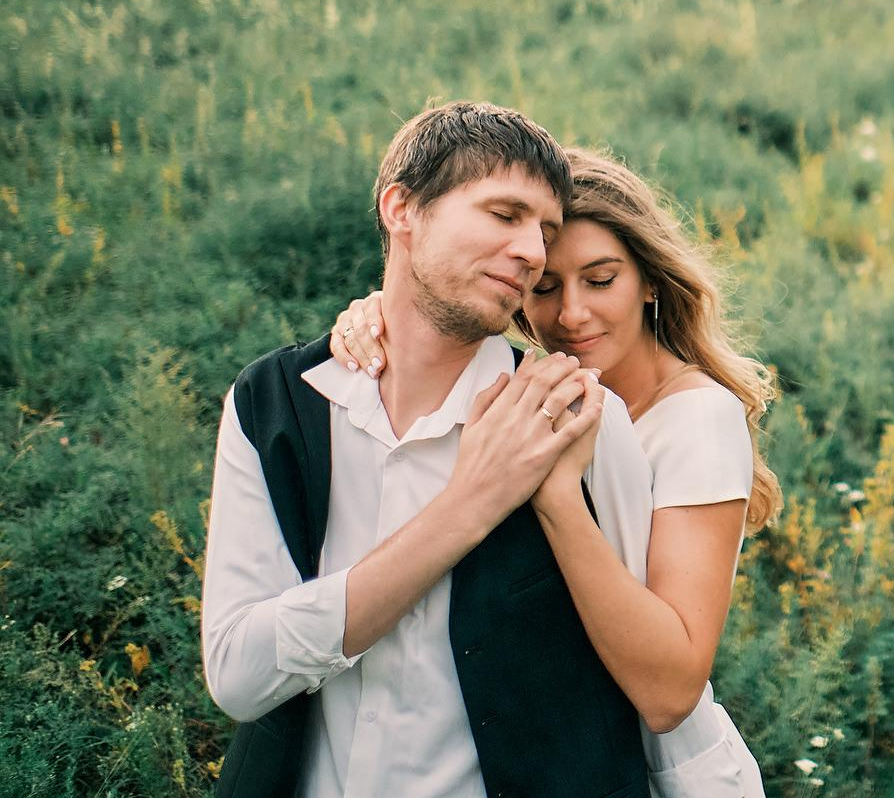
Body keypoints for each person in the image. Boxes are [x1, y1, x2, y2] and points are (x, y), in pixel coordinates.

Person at [199, 100, 658, 798]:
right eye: (504, 215)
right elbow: (238, 676)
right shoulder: (271, 404)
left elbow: (649, 683)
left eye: (545, 232)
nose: (533, 253)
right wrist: (468, 507)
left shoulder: (578, 418)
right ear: (402, 209)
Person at [329, 145, 780, 797]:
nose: (570, 315)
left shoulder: (697, 419)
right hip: (554, 758)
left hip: (662, 775)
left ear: (650, 280)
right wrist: (377, 313)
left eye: (601, 280)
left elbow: (670, 692)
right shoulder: (536, 389)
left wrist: (558, 496)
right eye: (544, 287)